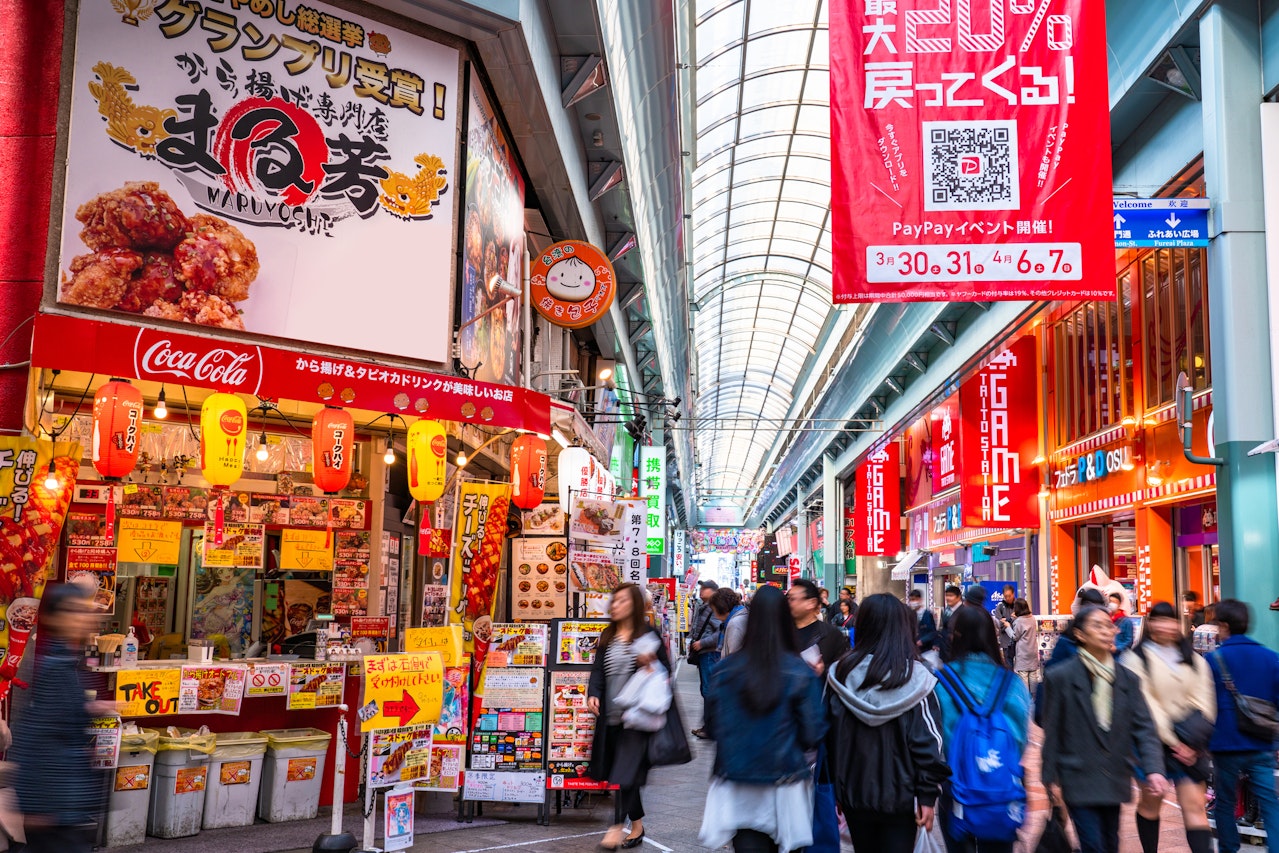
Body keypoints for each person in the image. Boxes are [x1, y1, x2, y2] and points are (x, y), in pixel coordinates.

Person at [699, 585, 826, 853]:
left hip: (738, 782)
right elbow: (813, 733)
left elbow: (711, 727)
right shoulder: (800, 672)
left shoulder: (724, 672)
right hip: (785, 784)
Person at [1040, 605, 1169, 853]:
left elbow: (1144, 727)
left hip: (1114, 778)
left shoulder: (1128, 679)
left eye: (1108, 625)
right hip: (1077, 777)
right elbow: (1053, 732)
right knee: (1094, 845)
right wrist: (1050, 781)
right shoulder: (1061, 677)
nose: (1105, 631)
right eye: (1096, 625)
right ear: (1079, 634)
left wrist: (1154, 769)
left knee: (1111, 844)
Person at [826, 594, 949, 853]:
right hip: (901, 798)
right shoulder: (918, 678)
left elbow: (828, 735)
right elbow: (929, 742)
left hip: (852, 793)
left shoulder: (839, 674)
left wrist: (835, 786)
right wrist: (927, 795)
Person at [11, 583, 114, 853]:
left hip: (63, 800)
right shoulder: (55, 666)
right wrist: (36, 805)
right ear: (55, 618)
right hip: (54, 803)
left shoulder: (67, 660)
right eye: (75, 611)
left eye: (85, 611)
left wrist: (91, 709)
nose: (84, 618)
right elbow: (35, 734)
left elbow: (59, 719)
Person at [934, 605, 1032, 853]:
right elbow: (1021, 737)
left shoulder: (942, 681)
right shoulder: (1011, 682)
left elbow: (935, 739)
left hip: (956, 786)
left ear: (955, 636)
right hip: (1003, 786)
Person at [1122, 602, 1215, 853]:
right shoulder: (1135, 659)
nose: (1165, 625)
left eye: (1170, 620)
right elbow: (1146, 704)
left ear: (1178, 624)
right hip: (1152, 744)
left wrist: (1192, 743)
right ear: (1150, 624)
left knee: (1195, 806)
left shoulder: (1193, 659)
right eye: (1158, 620)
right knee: (1151, 802)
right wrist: (1174, 742)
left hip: (1192, 744)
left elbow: (1205, 700)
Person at [587, 583, 673, 850]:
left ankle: (616, 827)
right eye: (615, 600)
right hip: (611, 716)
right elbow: (599, 670)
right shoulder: (608, 634)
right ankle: (636, 825)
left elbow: (666, 672)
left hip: (637, 718)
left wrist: (650, 664)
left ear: (634, 604)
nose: (616, 605)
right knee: (624, 773)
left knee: (626, 772)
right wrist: (593, 692)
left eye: (623, 601)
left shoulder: (647, 634)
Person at [1205, 599, 1279, 853]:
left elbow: (1208, 704)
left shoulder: (1214, 660)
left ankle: (1229, 848)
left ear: (1224, 626)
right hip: (1261, 743)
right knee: (1269, 802)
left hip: (1226, 745)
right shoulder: (1271, 658)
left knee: (1225, 802)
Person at [788, 578, 849, 674]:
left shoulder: (831, 635)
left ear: (811, 603)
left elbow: (843, 671)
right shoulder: (781, 632)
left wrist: (822, 671)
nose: (788, 603)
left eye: (792, 599)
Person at [687, 580, 721, 739]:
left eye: (705, 588)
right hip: (705, 654)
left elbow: (720, 632)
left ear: (713, 590)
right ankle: (709, 726)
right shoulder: (705, 606)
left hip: (709, 653)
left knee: (709, 690)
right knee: (707, 690)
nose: (701, 591)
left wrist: (702, 643)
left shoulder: (714, 608)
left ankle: (711, 728)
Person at [1009, 599, 1040, 691]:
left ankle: (1026, 700)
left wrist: (1007, 627)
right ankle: (1034, 697)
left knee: (1023, 676)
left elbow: (1015, 636)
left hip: (1023, 653)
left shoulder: (1018, 621)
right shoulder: (1032, 618)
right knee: (1033, 675)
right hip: (1033, 650)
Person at [716, 588, 748, 658]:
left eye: (714, 610)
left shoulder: (735, 623)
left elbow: (734, 658)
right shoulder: (740, 615)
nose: (716, 616)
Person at [910, 590, 941, 658]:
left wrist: (923, 640)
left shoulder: (927, 614)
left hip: (926, 649)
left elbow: (933, 632)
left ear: (920, 600)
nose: (912, 602)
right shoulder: (910, 614)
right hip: (913, 650)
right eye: (911, 600)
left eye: (914, 599)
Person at [993, 584, 1017, 667]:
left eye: (1009, 596)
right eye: (1005, 596)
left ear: (1013, 594)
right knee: (1008, 665)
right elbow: (998, 624)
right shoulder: (1000, 607)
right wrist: (1010, 619)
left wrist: (1005, 620)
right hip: (1006, 641)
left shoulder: (1019, 605)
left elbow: (1022, 620)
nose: (1007, 598)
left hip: (1018, 640)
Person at [940, 585, 962, 653]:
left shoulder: (964, 611)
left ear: (959, 597)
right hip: (945, 648)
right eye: (947, 595)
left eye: (951, 595)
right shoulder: (947, 609)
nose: (948, 598)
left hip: (957, 650)